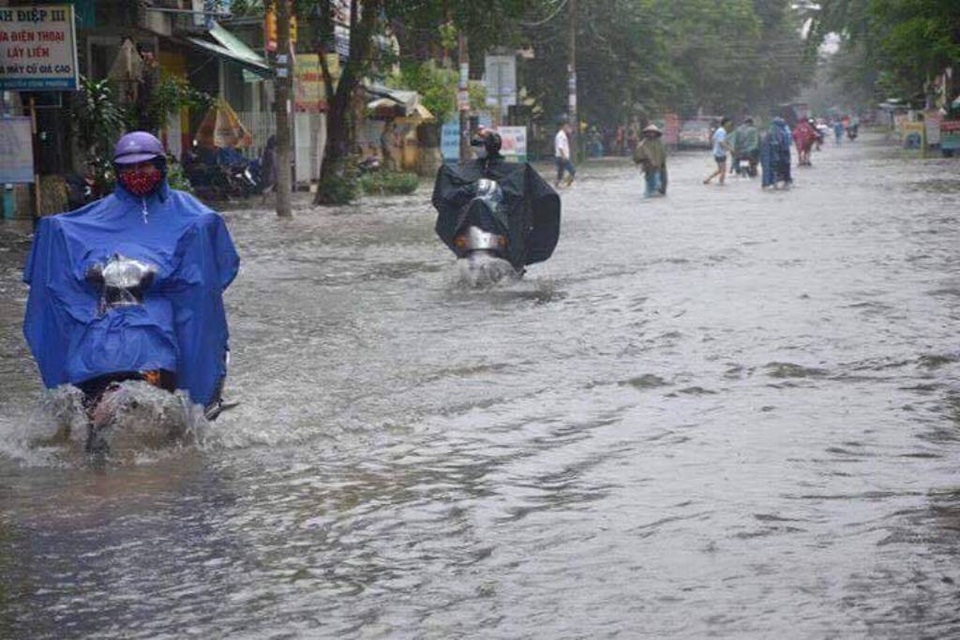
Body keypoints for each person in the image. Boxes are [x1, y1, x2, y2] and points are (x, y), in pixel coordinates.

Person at [23, 131, 240, 419]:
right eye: (129, 168)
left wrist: (176, 279)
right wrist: (51, 232)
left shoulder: (192, 215)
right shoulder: (95, 217)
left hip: (159, 325)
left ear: (160, 165)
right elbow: (64, 256)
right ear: (118, 172)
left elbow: (215, 271)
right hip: (104, 329)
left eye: (144, 166)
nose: (137, 173)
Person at [633, 124, 668, 197]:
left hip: (660, 167)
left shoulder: (660, 143)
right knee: (651, 186)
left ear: (656, 133)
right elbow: (637, 156)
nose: (651, 134)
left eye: (653, 132)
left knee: (661, 185)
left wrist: (661, 164)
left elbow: (663, 155)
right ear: (647, 133)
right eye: (650, 132)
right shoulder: (643, 144)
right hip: (649, 168)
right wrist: (646, 160)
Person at [703, 117, 732, 185]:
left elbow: (715, 140)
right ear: (726, 123)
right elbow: (722, 143)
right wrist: (730, 149)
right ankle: (721, 184)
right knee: (723, 170)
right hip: (720, 153)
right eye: (729, 123)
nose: (730, 124)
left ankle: (707, 179)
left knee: (720, 170)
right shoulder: (721, 131)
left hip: (718, 153)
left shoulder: (721, 131)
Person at [554, 121, 576, 188]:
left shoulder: (562, 135)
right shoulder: (561, 135)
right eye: (568, 127)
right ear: (564, 126)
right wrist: (564, 156)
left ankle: (557, 184)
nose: (569, 129)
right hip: (562, 157)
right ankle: (567, 184)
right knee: (572, 170)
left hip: (560, 156)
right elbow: (560, 147)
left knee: (560, 171)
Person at [259, 134, 278, 202]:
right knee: (269, 186)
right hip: (270, 172)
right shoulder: (271, 153)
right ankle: (265, 200)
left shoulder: (267, 151)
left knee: (268, 186)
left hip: (267, 172)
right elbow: (274, 164)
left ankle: (265, 200)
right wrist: (276, 173)